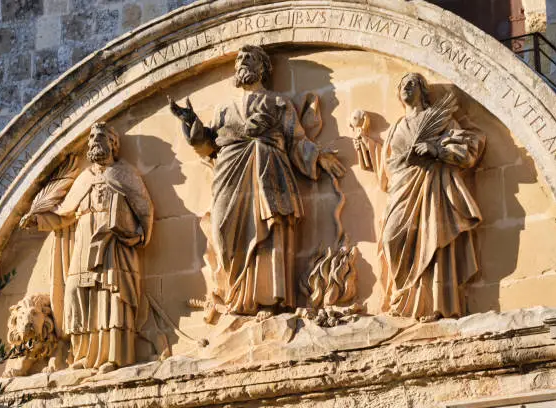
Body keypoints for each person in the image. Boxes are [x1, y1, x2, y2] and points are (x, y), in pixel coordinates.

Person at [169, 45, 345, 320]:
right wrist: (191, 124)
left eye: (249, 58)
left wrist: (318, 157)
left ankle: (268, 301)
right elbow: (208, 147)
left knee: (269, 232)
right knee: (223, 232)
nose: (242, 62)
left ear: (262, 68)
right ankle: (237, 297)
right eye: (239, 59)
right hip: (230, 175)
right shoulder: (224, 109)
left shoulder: (277, 103)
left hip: (269, 172)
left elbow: (296, 140)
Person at [20, 122, 160, 373]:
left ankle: (114, 357)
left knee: (111, 295)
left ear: (113, 145)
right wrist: (38, 220)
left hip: (113, 241)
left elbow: (144, 208)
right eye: (93, 138)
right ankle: (84, 353)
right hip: (84, 242)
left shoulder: (124, 174)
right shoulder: (84, 178)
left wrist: (137, 236)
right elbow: (65, 214)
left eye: (102, 137)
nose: (96, 141)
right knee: (77, 293)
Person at [375, 73, 486, 322]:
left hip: (431, 186)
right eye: (402, 84)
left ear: (422, 90)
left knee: (432, 237)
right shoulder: (395, 128)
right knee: (391, 237)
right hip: (402, 189)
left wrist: (435, 150)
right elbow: (387, 167)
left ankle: (431, 305)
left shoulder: (439, 119)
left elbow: (467, 146)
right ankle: (404, 297)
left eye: (411, 83)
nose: (406, 87)